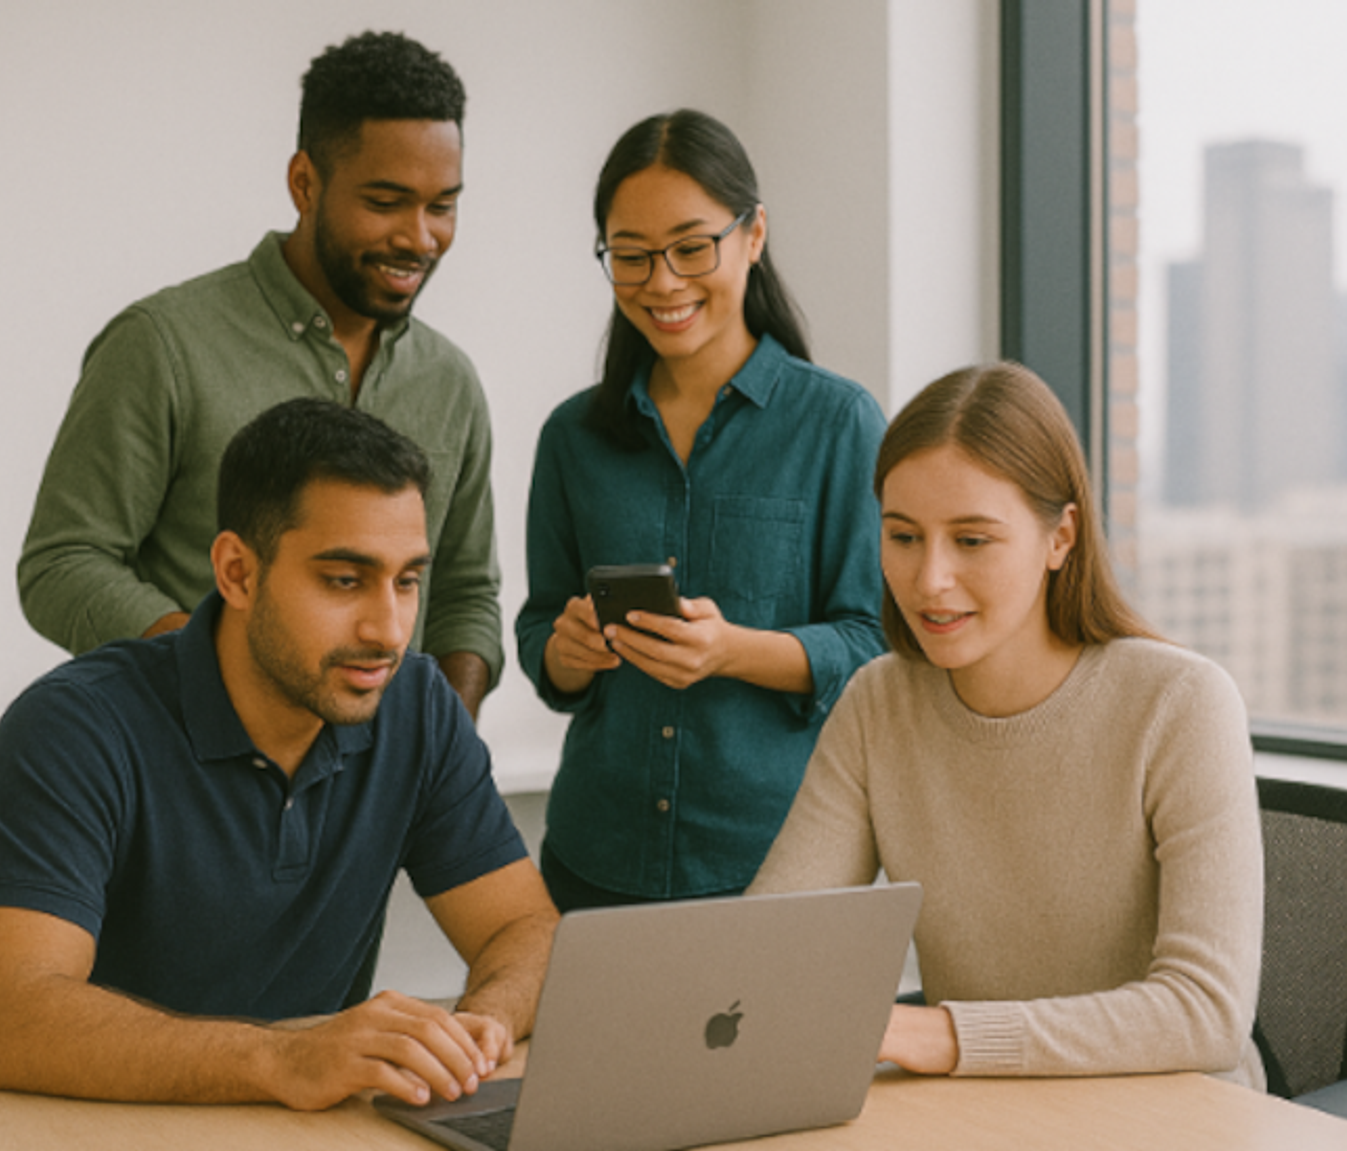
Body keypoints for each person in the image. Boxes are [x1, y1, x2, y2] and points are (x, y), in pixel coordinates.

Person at [0, 399, 558, 1111]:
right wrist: (282, 1058)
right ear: (238, 572)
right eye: (344, 580)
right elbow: (11, 1020)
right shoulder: (74, 726)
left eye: (406, 580)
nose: (388, 628)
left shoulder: (418, 707)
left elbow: (523, 928)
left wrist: (482, 1024)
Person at [749, 361, 1266, 1087]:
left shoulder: (1181, 703)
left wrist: (944, 1033)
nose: (929, 579)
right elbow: (768, 946)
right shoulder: (879, 702)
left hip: (1173, 1116)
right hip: (983, 1109)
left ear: (1061, 538)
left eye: (971, 540)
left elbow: (1206, 1013)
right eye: (903, 536)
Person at [18, 30, 500, 717]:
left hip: (378, 808)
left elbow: (466, 594)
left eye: (442, 206)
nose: (419, 237)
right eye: (386, 202)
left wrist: (438, 753)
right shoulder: (161, 345)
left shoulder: (451, 382)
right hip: (186, 777)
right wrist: (218, 676)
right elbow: (62, 562)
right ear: (305, 183)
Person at [514, 109, 887, 911]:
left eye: (691, 247)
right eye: (632, 256)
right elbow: (539, 632)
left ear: (753, 236)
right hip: (594, 857)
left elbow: (875, 645)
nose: (663, 282)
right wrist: (568, 650)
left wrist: (732, 650)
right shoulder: (572, 437)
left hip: (776, 865)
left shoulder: (840, 424)